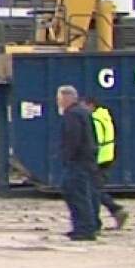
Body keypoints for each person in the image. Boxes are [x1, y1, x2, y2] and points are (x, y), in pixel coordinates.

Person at [55, 84, 102, 241]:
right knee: (87, 193)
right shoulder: (83, 112)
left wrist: (67, 156)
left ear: (66, 98)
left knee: (75, 192)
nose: (58, 102)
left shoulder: (72, 115)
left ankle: (85, 229)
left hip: (78, 161)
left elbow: (73, 138)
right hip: (87, 159)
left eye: (59, 98)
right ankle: (89, 225)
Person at [82, 96, 130, 230]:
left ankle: (115, 210)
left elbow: (92, 140)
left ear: (91, 105)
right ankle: (102, 217)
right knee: (95, 189)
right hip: (107, 156)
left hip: (98, 158)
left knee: (93, 190)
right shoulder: (104, 116)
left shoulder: (95, 120)